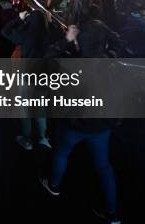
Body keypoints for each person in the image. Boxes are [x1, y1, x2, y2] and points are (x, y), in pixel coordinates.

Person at [41, 25, 121, 224]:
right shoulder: (112, 62)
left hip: (74, 124)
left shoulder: (70, 63)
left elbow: (46, 58)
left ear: (80, 42)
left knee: (61, 152)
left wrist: (66, 40)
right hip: (102, 125)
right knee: (103, 166)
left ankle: (54, 186)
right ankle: (113, 213)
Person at [3, 7, 51, 150]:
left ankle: (27, 139)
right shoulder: (48, 34)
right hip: (43, 77)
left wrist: (19, 18)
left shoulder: (24, 34)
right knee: (40, 111)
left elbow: (5, 31)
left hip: (27, 77)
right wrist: (48, 22)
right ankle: (43, 138)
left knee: (24, 110)